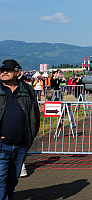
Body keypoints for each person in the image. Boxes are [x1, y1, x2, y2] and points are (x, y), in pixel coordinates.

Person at [0, 59, 40, 199]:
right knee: (0, 180)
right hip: (2, 145)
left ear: (18, 72)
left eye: (9, 70)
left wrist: (30, 135)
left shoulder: (27, 90)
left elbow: (35, 115)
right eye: (2, 70)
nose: (4, 72)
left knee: (12, 180)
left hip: (21, 144)